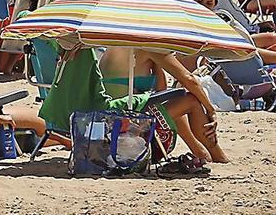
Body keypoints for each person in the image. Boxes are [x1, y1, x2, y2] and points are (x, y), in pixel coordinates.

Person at [97, 45, 228, 164]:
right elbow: (189, 80)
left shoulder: (119, 44)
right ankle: (218, 156)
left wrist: (156, 65)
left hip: (108, 124)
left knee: (174, 104)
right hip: (126, 124)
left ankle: (199, 151)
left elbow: (161, 91)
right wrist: (211, 110)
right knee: (191, 101)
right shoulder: (149, 46)